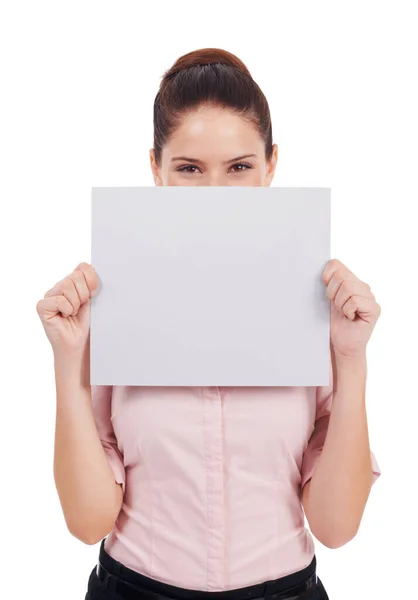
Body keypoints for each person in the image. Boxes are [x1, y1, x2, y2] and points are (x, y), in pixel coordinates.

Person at [37, 48, 381, 600]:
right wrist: (67, 359)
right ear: (157, 169)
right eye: (190, 169)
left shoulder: (322, 309)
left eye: (240, 168)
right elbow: (87, 521)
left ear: (272, 167)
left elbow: (337, 527)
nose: (216, 194)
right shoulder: (111, 305)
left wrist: (351, 358)